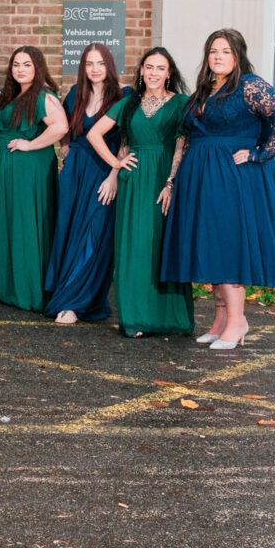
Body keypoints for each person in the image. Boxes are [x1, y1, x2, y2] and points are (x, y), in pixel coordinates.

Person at [161, 29, 275, 349]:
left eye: (225, 51)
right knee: (209, 246)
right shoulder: (205, 88)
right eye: (213, 51)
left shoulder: (249, 85)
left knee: (227, 247)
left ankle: (237, 322)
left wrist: (260, 153)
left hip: (233, 179)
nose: (218, 56)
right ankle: (221, 319)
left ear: (238, 55)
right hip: (201, 178)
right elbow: (189, 136)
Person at [86, 47, 192, 338]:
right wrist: (116, 165)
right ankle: (135, 319)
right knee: (133, 247)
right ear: (141, 71)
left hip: (163, 180)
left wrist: (171, 181)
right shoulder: (128, 103)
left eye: (160, 68)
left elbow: (183, 144)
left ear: (169, 73)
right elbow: (94, 135)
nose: (154, 73)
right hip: (134, 182)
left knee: (160, 245)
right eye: (149, 67)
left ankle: (169, 318)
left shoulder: (182, 103)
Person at [43, 44, 131, 324]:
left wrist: (114, 176)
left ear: (109, 66)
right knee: (69, 234)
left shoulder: (124, 95)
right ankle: (68, 294)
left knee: (93, 235)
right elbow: (65, 129)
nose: (94, 69)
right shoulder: (74, 95)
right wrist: (66, 149)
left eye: (100, 63)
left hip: (104, 172)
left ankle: (74, 302)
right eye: (89, 63)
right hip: (75, 172)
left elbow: (127, 142)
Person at [0, 45, 68, 313]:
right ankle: (6, 286)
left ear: (38, 67)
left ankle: (27, 290)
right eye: (16, 64)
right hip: (6, 170)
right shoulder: (14, 95)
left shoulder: (43, 96)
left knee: (24, 225)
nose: (20, 69)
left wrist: (30, 145)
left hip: (27, 170)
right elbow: (6, 129)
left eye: (27, 64)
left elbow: (61, 127)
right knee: (6, 223)